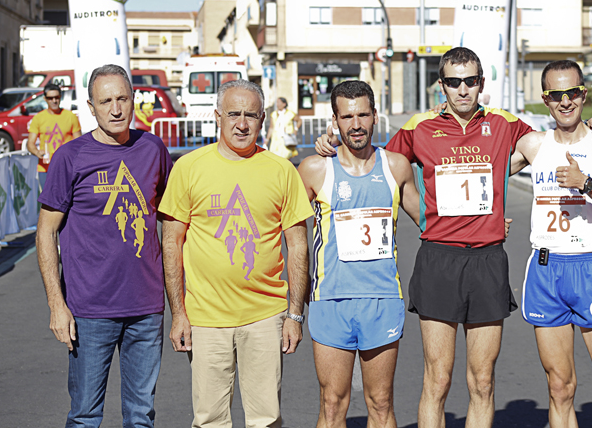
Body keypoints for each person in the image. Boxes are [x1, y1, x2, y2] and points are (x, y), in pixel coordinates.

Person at [316, 47, 541, 428]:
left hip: (487, 260)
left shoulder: (504, 123)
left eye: (470, 81)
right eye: (454, 82)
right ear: (442, 86)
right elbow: (374, 166)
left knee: (483, 381)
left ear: (481, 83)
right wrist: (330, 145)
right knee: (437, 379)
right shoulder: (420, 127)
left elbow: (550, 149)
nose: (463, 90)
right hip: (439, 259)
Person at [160, 79, 313, 428]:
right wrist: (179, 314)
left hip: (266, 317)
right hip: (205, 319)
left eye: (251, 115)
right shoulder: (188, 168)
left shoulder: (281, 171)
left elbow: (298, 245)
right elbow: (171, 243)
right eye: (233, 114)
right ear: (217, 116)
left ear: (263, 119)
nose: (242, 124)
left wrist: (295, 315)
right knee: (209, 419)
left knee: (266, 419)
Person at [35, 64, 173, 427]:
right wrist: (56, 304)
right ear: (91, 107)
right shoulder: (71, 157)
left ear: (134, 100)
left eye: (122, 99)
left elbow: (173, 222)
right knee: (84, 416)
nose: (115, 109)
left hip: (146, 309)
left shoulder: (153, 149)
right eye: (106, 101)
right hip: (88, 310)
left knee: (141, 416)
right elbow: (46, 232)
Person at [509, 60, 592, 428]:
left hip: (590, 267)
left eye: (573, 93)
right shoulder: (534, 145)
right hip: (547, 269)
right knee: (560, 387)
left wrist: (586, 184)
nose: (565, 102)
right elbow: (484, 168)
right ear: (545, 100)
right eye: (556, 95)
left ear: (584, 94)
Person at [298, 80, 423, 428]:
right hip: (330, 300)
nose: (356, 124)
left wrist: (489, 221)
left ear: (375, 117)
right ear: (335, 121)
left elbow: (430, 221)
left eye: (363, 115)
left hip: (382, 299)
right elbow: (283, 228)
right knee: (332, 403)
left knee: (381, 403)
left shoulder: (396, 166)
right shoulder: (314, 169)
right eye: (347, 116)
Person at [27, 81, 81, 188]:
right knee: (48, 203)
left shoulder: (70, 116)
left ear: (60, 97)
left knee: (68, 200)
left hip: (66, 167)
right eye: (50, 98)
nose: (54, 101)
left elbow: (79, 143)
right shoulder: (38, 118)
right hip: (46, 168)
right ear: (45, 99)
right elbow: (30, 144)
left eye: (57, 97)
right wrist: (37, 152)